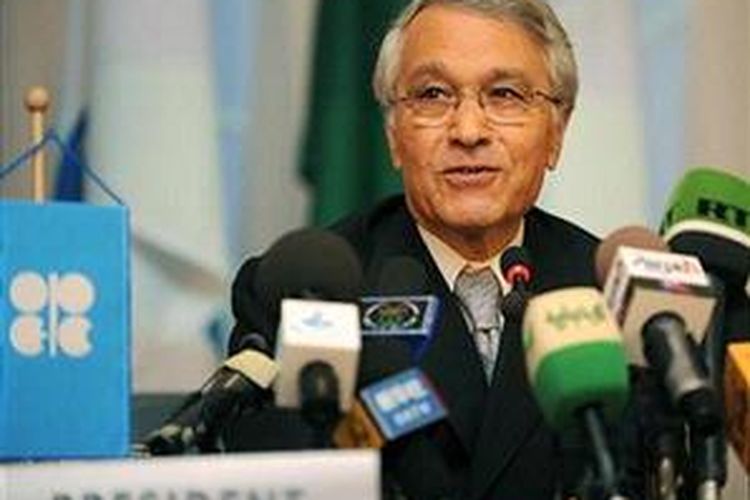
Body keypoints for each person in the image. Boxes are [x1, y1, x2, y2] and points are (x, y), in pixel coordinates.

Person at [229, 0, 638, 497]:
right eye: (433, 95)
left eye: (505, 95)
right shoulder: (302, 296)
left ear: (556, 132)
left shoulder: (614, 299)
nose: (468, 132)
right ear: (393, 133)